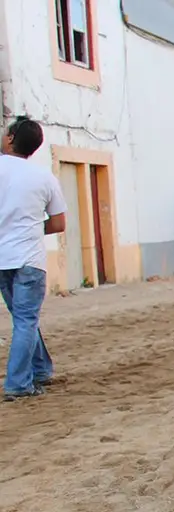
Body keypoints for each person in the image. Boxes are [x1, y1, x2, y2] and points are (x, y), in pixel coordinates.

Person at [0, 117, 67, 401]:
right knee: (26, 320)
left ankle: (39, 371)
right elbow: (58, 223)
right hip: (30, 258)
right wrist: (30, 226)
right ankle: (19, 383)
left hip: (2, 259)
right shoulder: (44, 177)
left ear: (12, 138)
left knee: (22, 318)